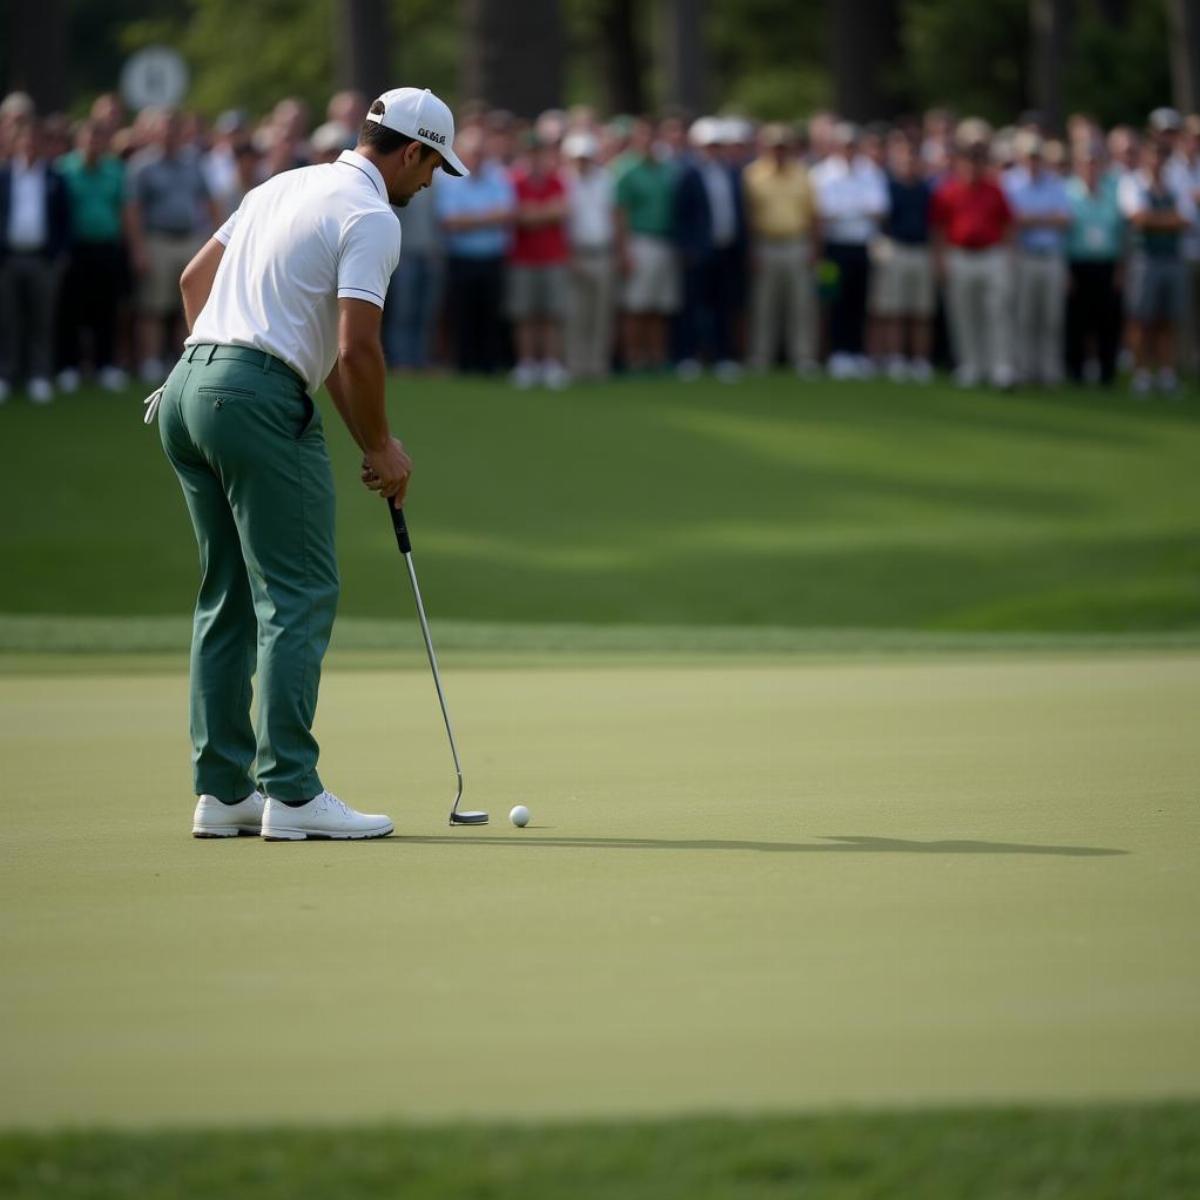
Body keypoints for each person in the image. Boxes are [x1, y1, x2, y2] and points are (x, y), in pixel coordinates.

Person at [153, 86, 468, 841]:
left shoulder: (280, 184)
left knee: (225, 592)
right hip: (253, 400)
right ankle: (291, 792)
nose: (430, 184)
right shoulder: (370, 217)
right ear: (413, 151)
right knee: (298, 592)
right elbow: (358, 348)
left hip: (187, 388)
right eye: (432, 168)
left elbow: (194, 282)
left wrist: (232, 360)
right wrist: (382, 447)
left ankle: (223, 791)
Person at [124, 108, 219, 383]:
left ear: (180, 133)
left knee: (189, 304)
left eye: (172, 130)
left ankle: (185, 359)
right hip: (157, 240)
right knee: (152, 306)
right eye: (162, 130)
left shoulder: (193, 162)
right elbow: (132, 210)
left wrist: (213, 240)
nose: (167, 135)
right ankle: (151, 361)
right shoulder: (142, 165)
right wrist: (139, 248)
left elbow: (209, 202)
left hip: (190, 239)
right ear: (154, 133)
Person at [931, 132, 1015, 389]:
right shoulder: (947, 191)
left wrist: (1008, 257)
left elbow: (1008, 225)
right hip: (960, 256)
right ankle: (970, 365)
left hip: (991, 255)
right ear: (960, 163)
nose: (972, 167)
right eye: (968, 161)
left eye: (977, 161)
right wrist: (941, 259)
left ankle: (1000, 366)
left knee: (997, 312)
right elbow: (939, 230)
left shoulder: (995, 190)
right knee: (964, 314)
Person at [0, 119, 71, 404]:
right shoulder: (4, 176)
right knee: (8, 320)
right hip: (8, 258)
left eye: (34, 141)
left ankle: (39, 376)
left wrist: (59, 256)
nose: (29, 146)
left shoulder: (54, 177)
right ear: (16, 144)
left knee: (42, 320)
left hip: (43, 259)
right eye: (24, 141)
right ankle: (6, 375)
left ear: (41, 145)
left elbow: (65, 221)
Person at [434, 127, 515, 374]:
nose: (478, 157)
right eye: (473, 152)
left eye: (481, 152)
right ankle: (465, 364)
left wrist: (470, 220)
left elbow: (507, 214)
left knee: (490, 313)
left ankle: (489, 364)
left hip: (492, 257)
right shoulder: (449, 179)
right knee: (463, 314)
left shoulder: (498, 176)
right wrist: (487, 217)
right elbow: (450, 222)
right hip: (462, 258)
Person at [810, 123, 888, 379]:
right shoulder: (822, 174)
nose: (849, 150)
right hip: (833, 248)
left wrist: (845, 211)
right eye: (845, 145)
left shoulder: (870, 171)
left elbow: (878, 210)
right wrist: (856, 210)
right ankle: (838, 353)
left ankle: (856, 352)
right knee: (835, 300)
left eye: (853, 145)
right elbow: (825, 214)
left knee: (859, 300)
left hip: (861, 246)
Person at [56, 118, 128, 392]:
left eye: (98, 139)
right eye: (88, 139)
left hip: (107, 247)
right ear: (79, 141)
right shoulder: (64, 169)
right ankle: (70, 366)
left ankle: (105, 365)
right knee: (71, 310)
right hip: (75, 249)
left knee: (106, 309)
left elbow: (124, 209)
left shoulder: (115, 170)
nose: (93, 144)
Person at [742, 122, 820, 376]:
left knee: (801, 304)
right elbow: (748, 217)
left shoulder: (803, 174)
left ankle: (803, 356)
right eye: (774, 147)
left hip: (797, 243)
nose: (779, 152)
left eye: (783, 147)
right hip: (765, 244)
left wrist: (814, 249)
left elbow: (813, 217)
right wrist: (751, 251)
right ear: (765, 148)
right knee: (764, 304)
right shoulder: (752, 175)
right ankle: (761, 356)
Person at [672, 116, 747, 380]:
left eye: (716, 145)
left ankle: (723, 356)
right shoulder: (688, 174)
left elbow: (738, 213)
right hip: (697, 252)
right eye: (707, 145)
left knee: (723, 306)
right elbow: (681, 216)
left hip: (726, 249)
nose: (712, 150)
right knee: (693, 306)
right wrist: (687, 249)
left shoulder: (731, 172)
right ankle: (688, 355)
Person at [1119, 139, 1193, 395]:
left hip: (1172, 257)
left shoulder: (1177, 183)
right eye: (1153, 155)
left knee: (1168, 319)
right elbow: (1137, 218)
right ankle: (1141, 372)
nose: (1157, 161)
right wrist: (1167, 219)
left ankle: (1166, 373)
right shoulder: (1132, 182)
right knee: (1141, 318)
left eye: (1162, 156)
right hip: (1145, 258)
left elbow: (1186, 220)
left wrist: (1154, 219)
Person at [614, 118, 679, 372]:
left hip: (665, 241)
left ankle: (656, 357)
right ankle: (634, 358)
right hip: (639, 241)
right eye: (644, 136)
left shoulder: (667, 168)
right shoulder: (625, 170)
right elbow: (620, 213)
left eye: (652, 136)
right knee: (636, 306)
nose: (649, 141)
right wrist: (624, 251)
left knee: (660, 306)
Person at [1007, 133, 1072, 385]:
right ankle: (1024, 368)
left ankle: (1049, 371)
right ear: (1021, 158)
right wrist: (1046, 218)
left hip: (1051, 257)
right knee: (1024, 316)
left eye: (1037, 157)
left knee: (1051, 317)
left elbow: (1064, 220)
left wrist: (1031, 219)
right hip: (1024, 256)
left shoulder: (1055, 183)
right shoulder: (1010, 183)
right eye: (1029, 156)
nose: (1033, 162)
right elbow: (1013, 220)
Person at [870, 133, 935, 382]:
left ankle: (919, 360)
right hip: (895, 249)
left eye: (913, 156)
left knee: (920, 311)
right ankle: (895, 357)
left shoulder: (926, 188)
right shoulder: (886, 185)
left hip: (920, 250)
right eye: (904, 156)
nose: (909, 161)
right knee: (893, 309)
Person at [507, 136, 571, 388]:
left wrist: (533, 213)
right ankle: (527, 364)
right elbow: (518, 216)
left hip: (553, 257)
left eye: (539, 153)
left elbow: (561, 211)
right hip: (523, 258)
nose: (535, 159)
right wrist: (544, 212)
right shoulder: (515, 182)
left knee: (551, 315)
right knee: (525, 315)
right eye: (531, 154)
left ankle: (550, 364)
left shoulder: (557, 181)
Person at [1064, 151, 1125, 386]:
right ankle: (1077, 372)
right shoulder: (1068, 192)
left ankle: (1106, 373)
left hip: (1106, 264)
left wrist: (1121, 268)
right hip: (1078, 263)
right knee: (1078, 321)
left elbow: (1120, 234)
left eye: (1094, 164)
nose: (1090, 169)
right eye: (1086, 164)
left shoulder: (1111, 192)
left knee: (1107, 322)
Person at [562, 130, 618, 380]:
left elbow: (615, 217)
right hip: (576, 253)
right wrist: (567, 255)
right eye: (577, 157)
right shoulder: (563, 181)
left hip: (603, 252)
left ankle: (598, 365)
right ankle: (576, 365)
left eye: (586, 157)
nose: (582, 162)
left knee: (601, 314)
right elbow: (562, 223)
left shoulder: (606, 179)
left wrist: (617, 250)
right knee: (576, 314)